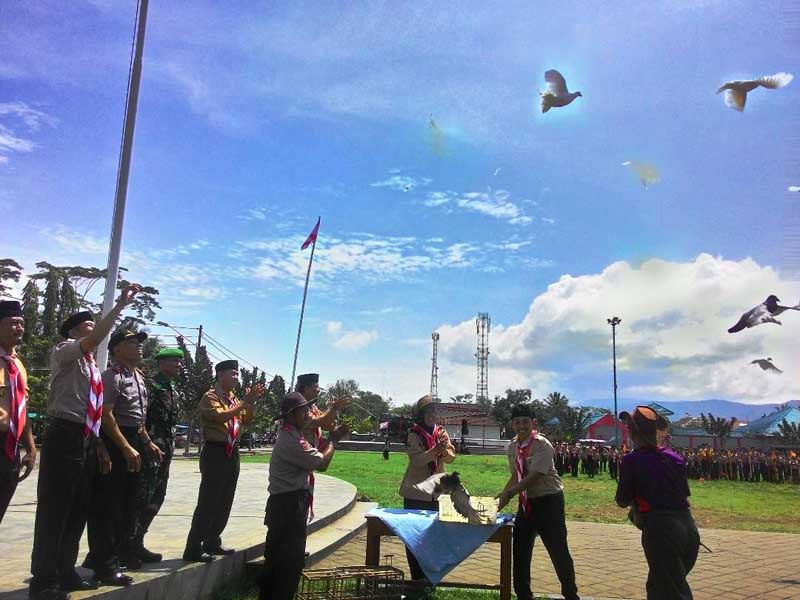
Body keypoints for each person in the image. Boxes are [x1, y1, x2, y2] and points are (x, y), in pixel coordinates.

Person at [30, 284, 140, 600]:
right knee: (55, 510)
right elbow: (95, 338)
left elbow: (92, 408)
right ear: (76, 331)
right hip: (64, 435)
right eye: (89, 327)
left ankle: (65, 572)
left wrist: (99, 446)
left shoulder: (91, 365)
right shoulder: (65, 350)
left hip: (85, 438)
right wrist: (118, 306)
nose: (95, 333)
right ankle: (43, 581)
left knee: (78, 509)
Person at [85, 328, 164, 578]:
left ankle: (116, 555)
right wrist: (125, 446)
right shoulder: (111, 376)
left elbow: (138, 417)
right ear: (117, 348)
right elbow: (106, 415)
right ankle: (103, 563)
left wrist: (146, 441)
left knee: (130, 502)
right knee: (109, 504)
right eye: (132, 342)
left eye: (140, 342)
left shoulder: (138, 376)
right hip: (115, 442)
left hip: (133, 440)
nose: (139, 346)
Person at [259, 392, 349, 600]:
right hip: (288, 506)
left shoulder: (293, 435)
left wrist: (330, 440)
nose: (308, 415)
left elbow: (316, 456)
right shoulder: (291, 440)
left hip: (287, 504)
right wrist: (333, 439)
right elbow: (322, 463)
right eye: (303, 411)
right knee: (288, 562)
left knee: (281, 560)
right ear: (291, 415)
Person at [496, 404, 579, 600]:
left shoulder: (542, 444)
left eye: (525, 422)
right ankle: (524, 595)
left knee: (558, 552)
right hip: (526, 505)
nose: (521, 426)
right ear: (512, 424)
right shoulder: (512, 446)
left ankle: (571, 595)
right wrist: (500, 498)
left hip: (549, 503)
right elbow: (517, 476)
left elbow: (535, 475)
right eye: (517, 422)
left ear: (533, 423)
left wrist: (510, 494)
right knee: (520, 553)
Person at [615, 406, 700, 600]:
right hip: (688, 529)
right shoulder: (675, 458)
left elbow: (622, 500)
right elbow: (684, 493)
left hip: (662, 532)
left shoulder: (632, 460)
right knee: (659, 586)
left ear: (633, 431)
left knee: (671, 592)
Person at [183, 360, 263, 562]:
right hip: (215, 452)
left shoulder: (234, 398)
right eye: (233, 374)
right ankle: (193, 546)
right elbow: (219, 417)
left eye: (237, 374)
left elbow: (246, 420)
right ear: (220, 375)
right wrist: (243, 403)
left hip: (232, 451)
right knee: (208, 501)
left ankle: (213, 540)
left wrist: (250, 403)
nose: (237, 377)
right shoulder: (210, 397)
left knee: (225, 499)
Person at [398, 394, 455, 583]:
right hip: (416, 493)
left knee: (434, 537)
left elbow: (450, 458)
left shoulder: (441, 432)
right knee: (413, 537)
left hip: (437, 494)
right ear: (421, 415)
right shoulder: (414, 434)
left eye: (434, 411)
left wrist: (443, 449)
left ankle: (431, 578)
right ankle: (417, 578)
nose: (432, 415)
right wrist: (433, 451)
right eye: (428, 411)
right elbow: (416, 461)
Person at [136, 347, 185, 560]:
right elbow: (140, 419)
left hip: (165, 452)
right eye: (175, 362)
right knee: (140, 498)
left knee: (157, 497)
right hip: (149, 451)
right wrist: (146, 443)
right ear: (162, 363)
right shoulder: (150, 386)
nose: (179, 365)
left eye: (180, 362)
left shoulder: (173, 389)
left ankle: (137, 541)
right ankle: (126, 545)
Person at [0, 300, 36, 524]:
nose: (19, 328)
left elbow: (22, 408)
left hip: (10, 448)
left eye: (21, 323)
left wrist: (30, 447)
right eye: (13, 323)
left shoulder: (18, 365)